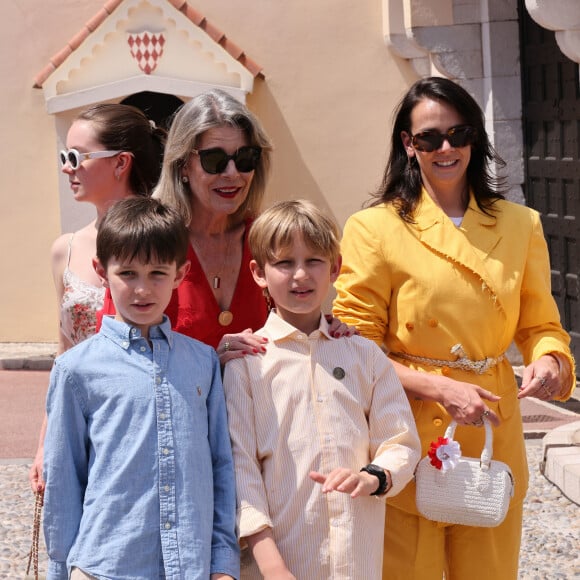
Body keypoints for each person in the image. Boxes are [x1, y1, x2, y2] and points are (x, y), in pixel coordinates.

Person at [333, 76, 576, 579]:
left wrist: (550, 358)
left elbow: (540, 323)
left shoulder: (520, 225)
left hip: (493, 435)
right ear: (408, 144)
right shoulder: (374, 228)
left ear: (476, 139)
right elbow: (354, 348)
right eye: (429, 137)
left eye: (459, 134)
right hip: (404, 436)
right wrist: (439, 386)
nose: (446, 148)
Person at [223, 199, 421, 579]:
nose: (300, 275)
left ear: (335, 268)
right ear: (259, 272)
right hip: (282, 562)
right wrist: (272, 566)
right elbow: (240, 470)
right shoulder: (247, 366)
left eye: (313, 261)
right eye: (284, 263)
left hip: (357, 558)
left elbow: (400, 441)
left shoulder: (363, 355)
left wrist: (373, 477)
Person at [43, 197, 239, 580]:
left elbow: (221, 466)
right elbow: (64, 479)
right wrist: (59, 570)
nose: (142, 289)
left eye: (157, 273)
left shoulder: (202, 363)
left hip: (190, 565)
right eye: (128, 273)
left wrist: (223, 563)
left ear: (180, 275)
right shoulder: (75, 370)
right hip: (106, 566)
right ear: (102, 271)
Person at [100, 89, 352, 359]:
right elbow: (115, 355)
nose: (232, 174)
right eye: (214, 160)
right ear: (183, 164)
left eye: (245, 158)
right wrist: (211, 361)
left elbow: (290, 324)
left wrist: (324, 328)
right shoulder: (147, 238)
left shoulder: (266, 239)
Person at [30, 103, 165, 492]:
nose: (66, 167)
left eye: (76, 156)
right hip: (79, 425)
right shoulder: (66, 249)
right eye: (63, 156)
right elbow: (64, 354)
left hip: (143, 425)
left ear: (121, 163)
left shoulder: (167, 241)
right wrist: (44, 443)